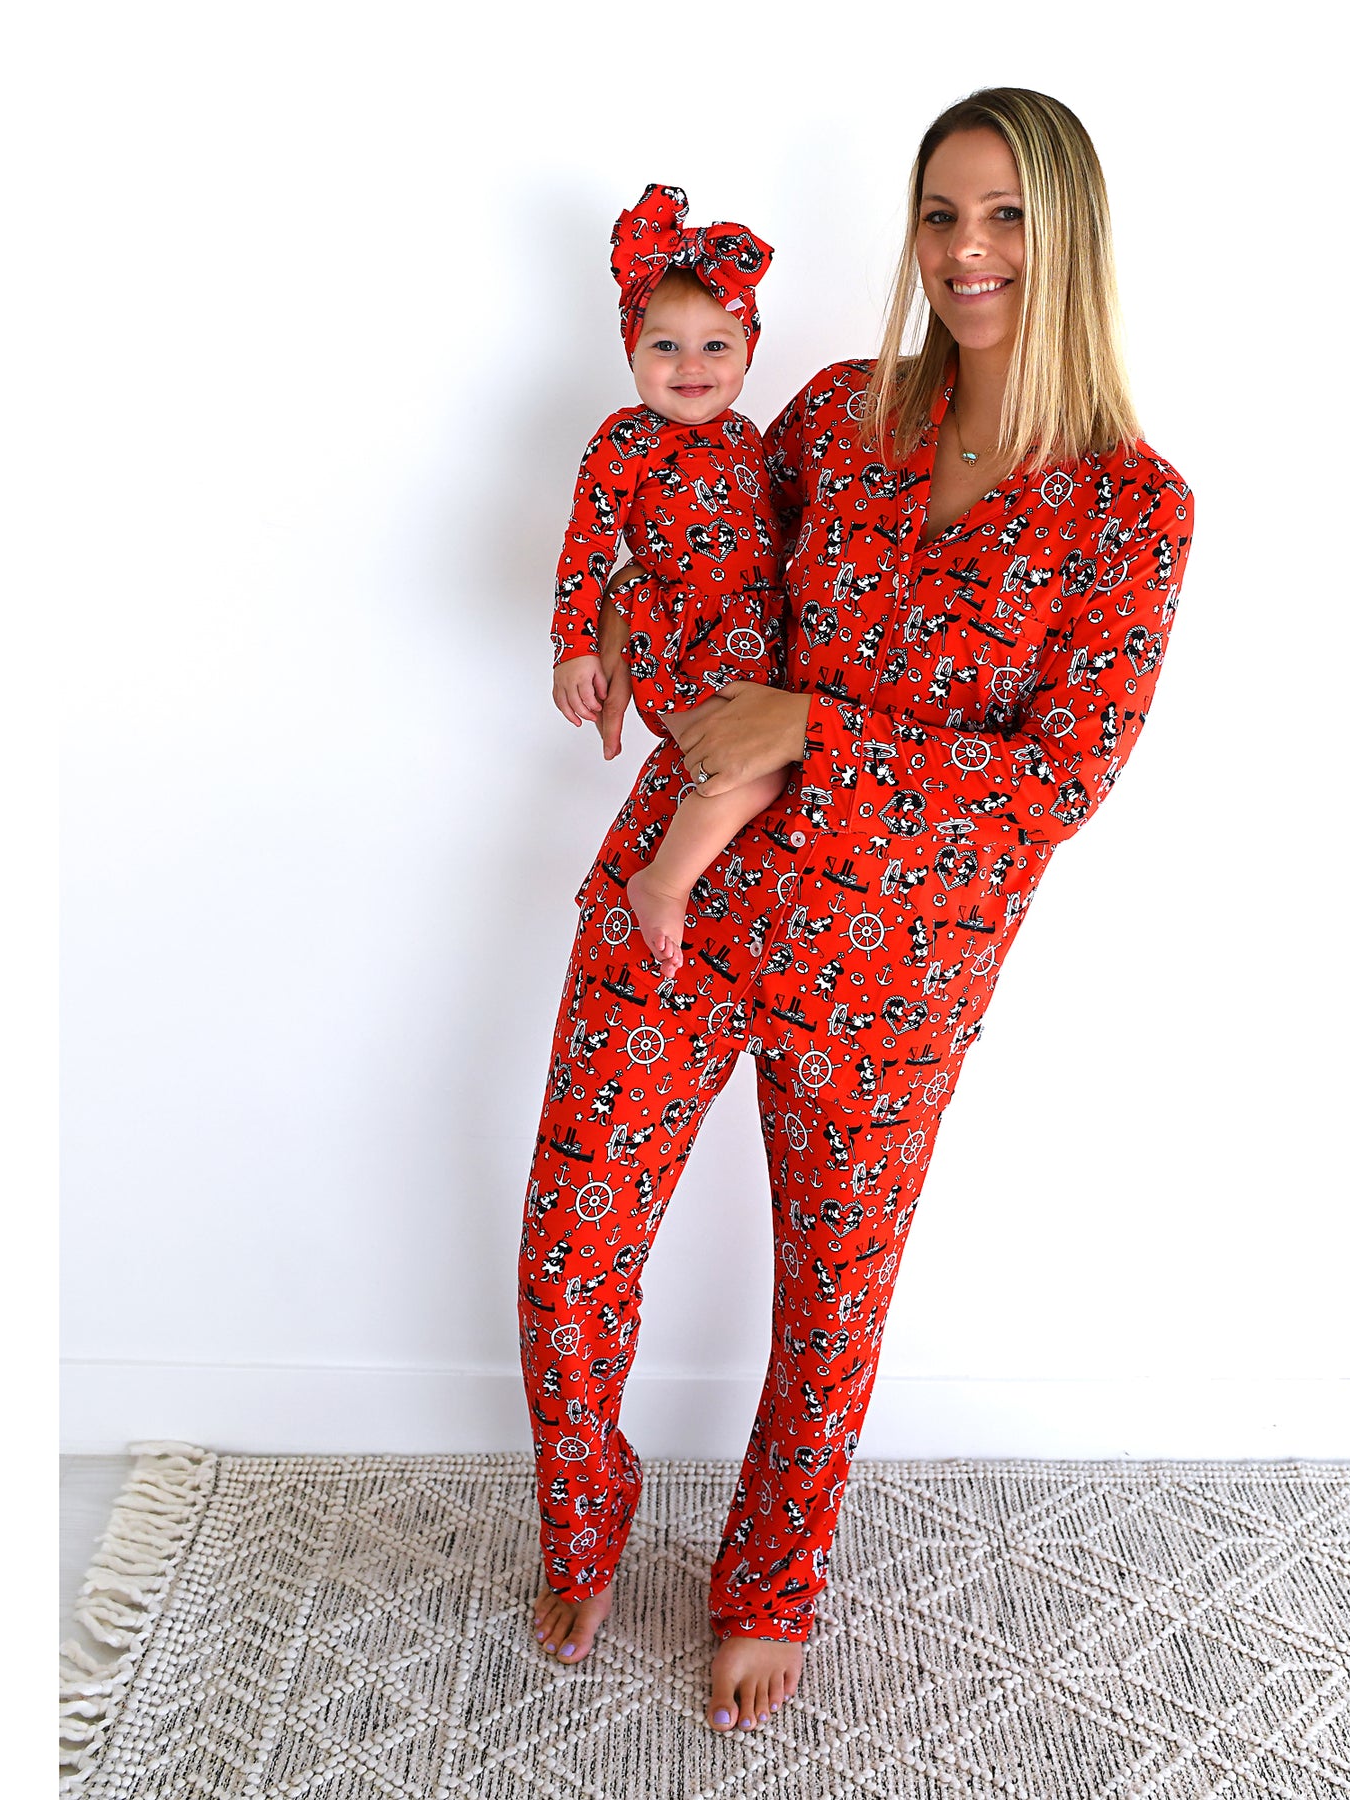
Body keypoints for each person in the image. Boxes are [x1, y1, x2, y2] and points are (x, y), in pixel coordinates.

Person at [518, 87, 1196, 1737]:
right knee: (568, 1264)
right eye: (941, 213)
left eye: (1006, 214)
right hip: (682, 902)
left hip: (891, 982)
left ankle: (770, 1583)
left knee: (831, 1308)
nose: (967, 250)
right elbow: (690, 537)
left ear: (1071, 233)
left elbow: (1056, 784)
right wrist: (599, 625)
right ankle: (586, 1518)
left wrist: (814, 727)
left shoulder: (1132, 508)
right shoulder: (835, 414)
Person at [550, 182, 789, 977]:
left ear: (747, 352)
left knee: (769, 767)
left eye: (716, 346)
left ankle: (693, 883)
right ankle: (663, 883)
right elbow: (586, 547)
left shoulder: (748, 436)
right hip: (679, 637)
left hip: (753, 641)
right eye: (665, 347)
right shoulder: (623, 441)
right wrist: (574, 647)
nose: (692, 366)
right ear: (631, 353)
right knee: (750, 770)